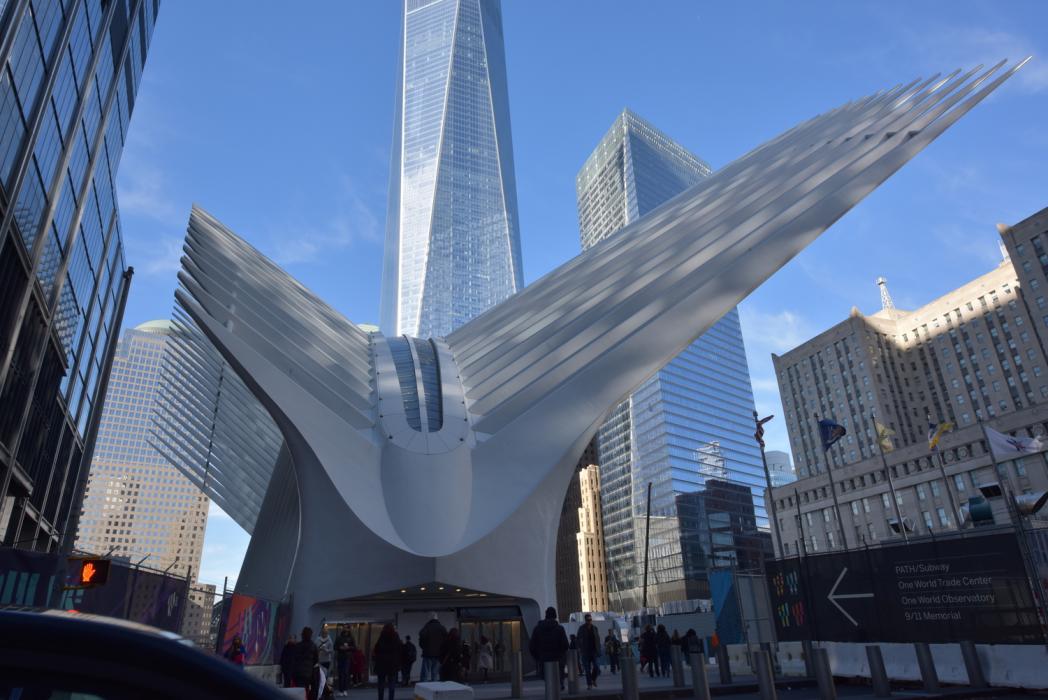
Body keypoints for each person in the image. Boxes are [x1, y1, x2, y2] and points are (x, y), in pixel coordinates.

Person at [528, 606, 568, 690]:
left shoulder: (537, 629)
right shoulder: (560, 629)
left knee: (548, 682)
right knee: (558, 677)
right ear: (555, 616)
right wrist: (561, 655)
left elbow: (532, 646)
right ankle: (560, 683)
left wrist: (538, 657)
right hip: (557, 659)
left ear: (546, 615)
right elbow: (565, 645)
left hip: (543, 658)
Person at [373, 623, 403, 700]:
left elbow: (376, 649)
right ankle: (391, 698)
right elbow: (400, 649)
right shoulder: (395, 636)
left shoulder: (382, 636)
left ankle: (380, 698)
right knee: (392, 684)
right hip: (392, 664)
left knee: (381, 684)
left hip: (382, 663)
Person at [418, 613, 448, 683]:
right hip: (438, 654)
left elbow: (421, 636)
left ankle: (424, 691)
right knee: (435, 674)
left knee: (425, 674)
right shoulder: (442, 628)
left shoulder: (427, 627)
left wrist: (424, 647)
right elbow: (446, 641)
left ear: (430, 619)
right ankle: (434, 690)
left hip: (427, 654)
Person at [293, 627, 320, 700]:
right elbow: (316, 660)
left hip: (298, 672)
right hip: (308, 673)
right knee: (306, 689)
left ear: (302, 635)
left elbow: (294, 659)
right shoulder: (313, 646)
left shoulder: (298, 646)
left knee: (299, 690)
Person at [576, 613, 601, 689]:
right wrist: (580, 649)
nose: (589, 621)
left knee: (597, 668)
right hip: (585, 652)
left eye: (590, 620)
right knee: (587, 670)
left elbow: (598, 640)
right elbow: (578, 639)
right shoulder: (581, 628)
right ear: (585, 620)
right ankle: (589, 685)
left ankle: (593, 679)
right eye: (588, 620)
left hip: (593, 651)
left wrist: (598, 650)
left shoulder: (595, 628)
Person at [335, 629, 354, 697]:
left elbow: (354, 647)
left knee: (345, 673)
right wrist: (340, 648)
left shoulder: (350, 638)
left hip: (347, 657)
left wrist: (348, 647)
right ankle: (341, 690)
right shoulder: (339, 638)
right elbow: (335, 647)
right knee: (341, 674)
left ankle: (344, 689)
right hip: (341, 657)